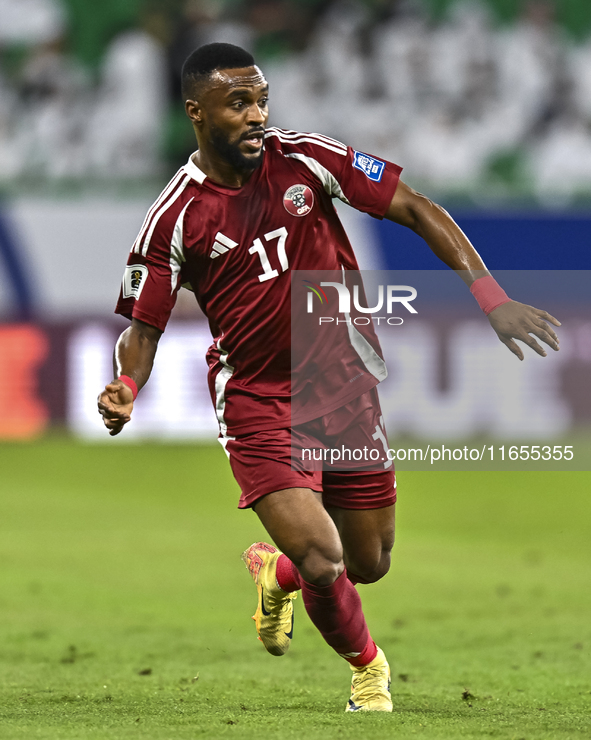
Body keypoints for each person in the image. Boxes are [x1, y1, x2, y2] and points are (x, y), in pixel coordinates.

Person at [97, 43, 560, 713]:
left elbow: (416, 207)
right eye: (238, 104)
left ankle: (272, 571)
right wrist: (127, 387)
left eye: (261, 100)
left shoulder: (307, 157)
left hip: (345, 387)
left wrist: (491, 299)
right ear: (197, 114)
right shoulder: (173, 216)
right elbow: (143, 328)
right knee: (323, 557)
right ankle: (368, 674)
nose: (257, 116)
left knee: (366, 562)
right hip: (258, 402)